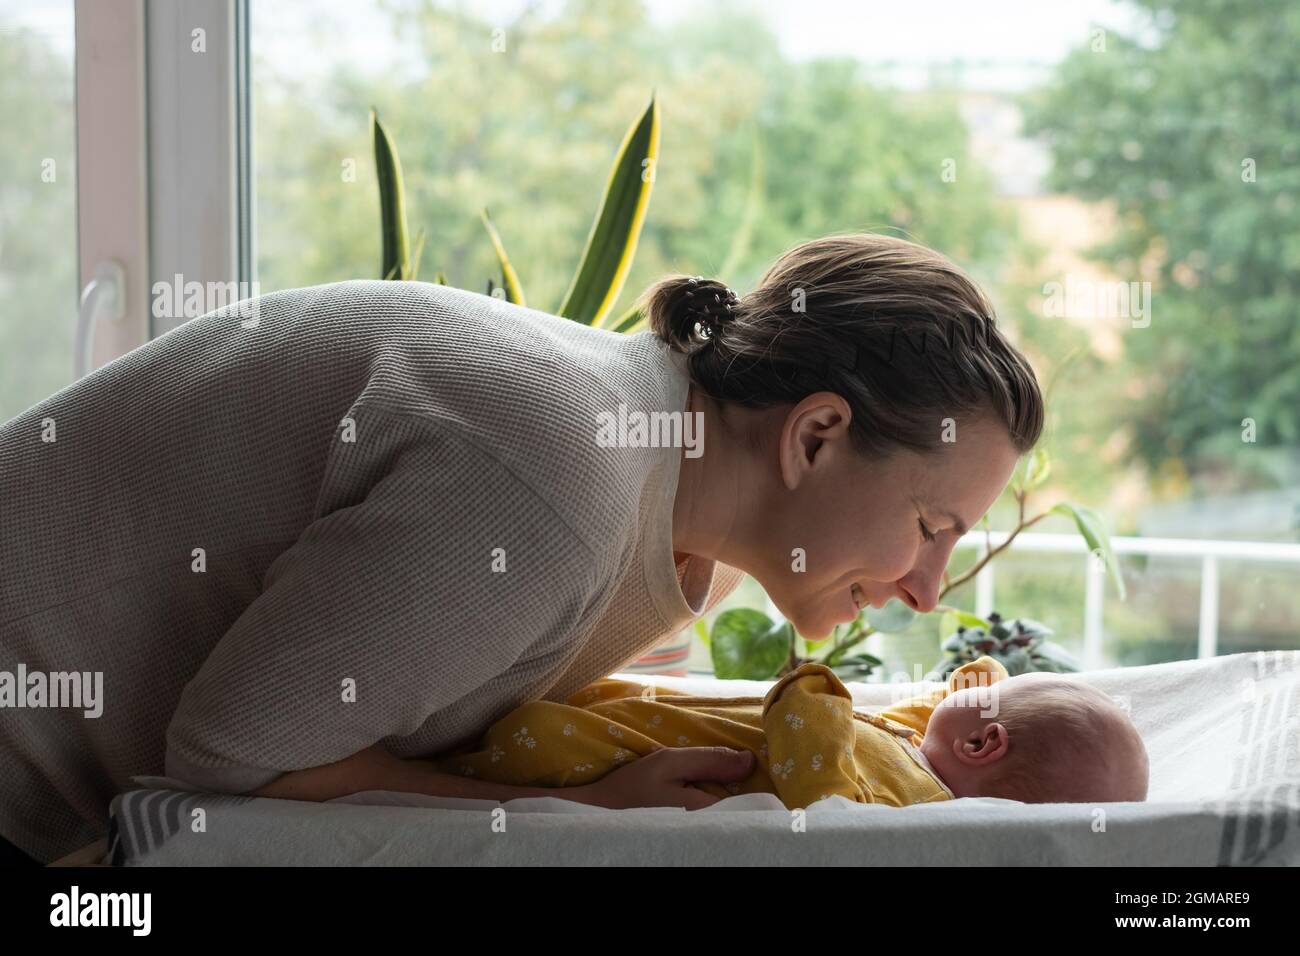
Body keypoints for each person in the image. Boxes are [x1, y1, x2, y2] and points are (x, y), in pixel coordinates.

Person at [0, 231, 1043, 863]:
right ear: (814, 435)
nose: (925, 587)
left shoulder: (685, 517)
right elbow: (233, 752)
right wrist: (569, 810)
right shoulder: (554, 482)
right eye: (930, 528)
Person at [427, 655, 1149, 807]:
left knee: (546, 737)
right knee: (599, 691)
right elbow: (930, 710)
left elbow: (820, 799)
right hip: (642, 715)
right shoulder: (922, 756)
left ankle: (445, 770)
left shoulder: (902, 814)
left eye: (995, 702)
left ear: (985, 745)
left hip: (625, 756)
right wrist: (984, 688)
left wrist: (817, 696)